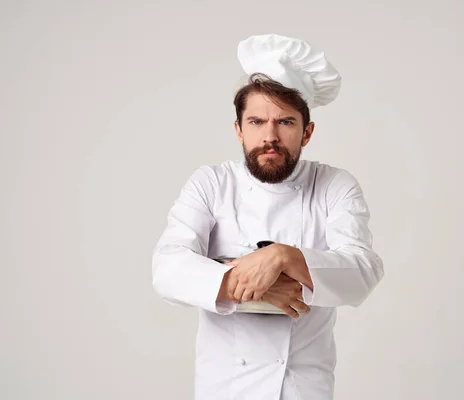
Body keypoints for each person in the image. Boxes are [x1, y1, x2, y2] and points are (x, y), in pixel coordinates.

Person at [152, 33, 384, 400]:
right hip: (224, 388)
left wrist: (283, 256)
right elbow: (167, 269)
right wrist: (254, 285)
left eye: (286, 123)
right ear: (238, 130)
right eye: (257, 122)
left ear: (307, 132)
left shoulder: (334, 185)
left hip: (301, 388)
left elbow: (362, 272)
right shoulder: (211, 183)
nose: (270, 136)